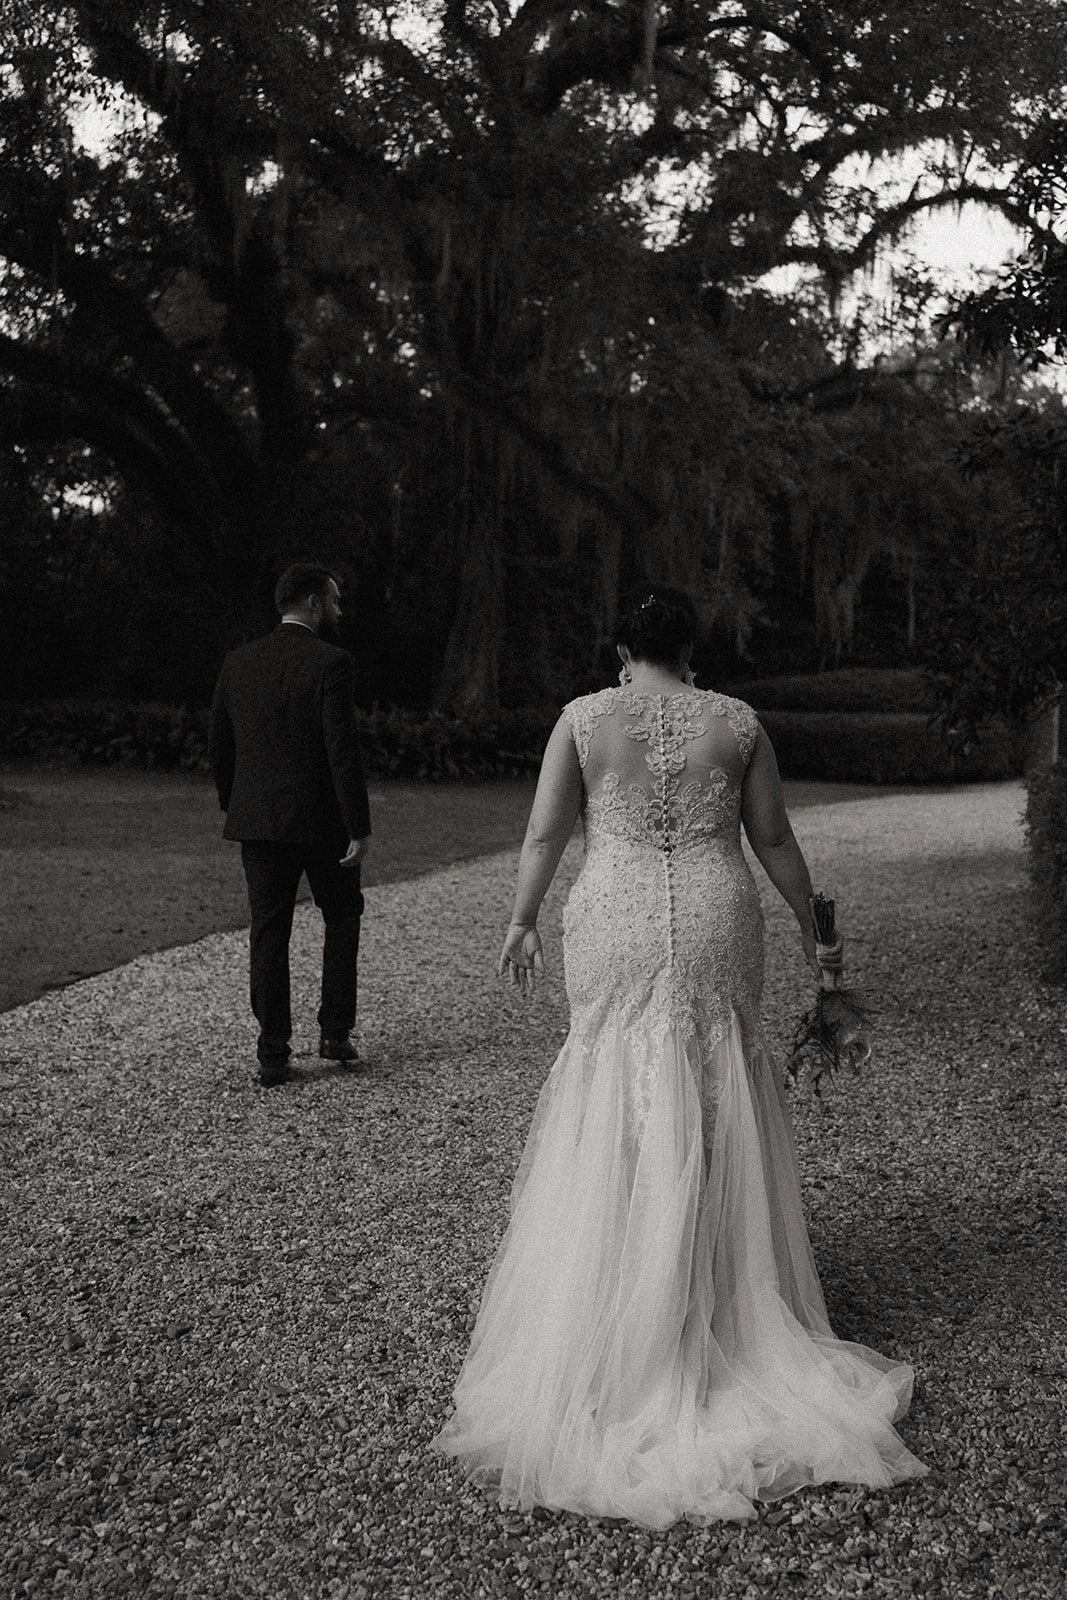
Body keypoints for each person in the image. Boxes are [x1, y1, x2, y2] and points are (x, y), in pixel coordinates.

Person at [432, 587, 926, 1528]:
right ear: (692, 645)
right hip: (711, 914)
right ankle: (714, 1293)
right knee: (711, 1082)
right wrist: (813, 930)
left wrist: (522, 919)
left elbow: (543, 832)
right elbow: (771, 837)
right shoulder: (735, 724)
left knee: (614, 1082)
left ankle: (617, 1303)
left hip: (613, 915)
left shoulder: (583, 720)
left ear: (622, 648)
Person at [208, 563, 371, 1087]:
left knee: (268, 930)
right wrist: (358, 825)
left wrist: (234, 803)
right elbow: (341, 750)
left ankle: (272, 1052)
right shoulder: (332, 663)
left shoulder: (238, 662)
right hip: (322, 823)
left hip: (258, 822)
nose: (339, 610)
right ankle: (334, 1032)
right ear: (314, 603)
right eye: (335, 600)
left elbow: (220, 746)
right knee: (342, 915)